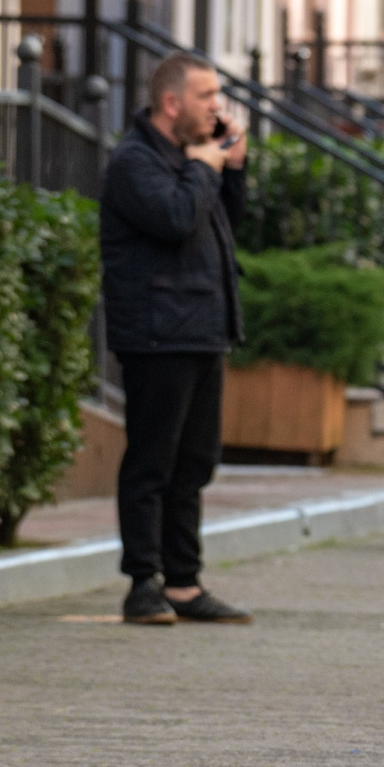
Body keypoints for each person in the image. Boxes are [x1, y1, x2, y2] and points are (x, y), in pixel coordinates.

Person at [99, 53, 254, 628]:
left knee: (194, 462)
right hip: (158, 333)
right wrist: (204, 169)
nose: (217, 105)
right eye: (206, 95)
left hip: (203, 329)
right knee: (152, 463)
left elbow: (223, 225)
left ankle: (185, 583)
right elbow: (175, 218)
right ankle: (143, 583)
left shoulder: (192, 160)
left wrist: (231, 169)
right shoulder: (135, 162)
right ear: (172, 103)